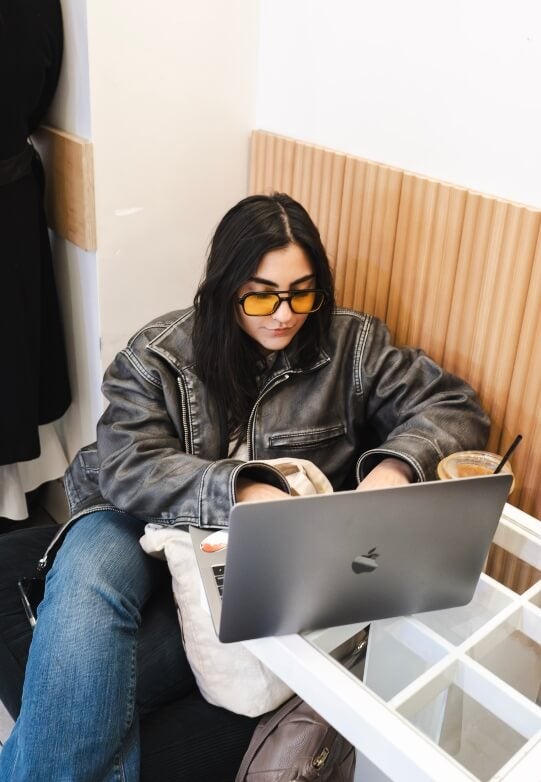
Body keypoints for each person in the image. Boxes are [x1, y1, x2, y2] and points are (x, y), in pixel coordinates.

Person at [0, 193, 490, 780]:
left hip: (240, 550)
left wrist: (397, 465)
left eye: (303, 292)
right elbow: (127, 464)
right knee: (86, 587)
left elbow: (453, 405)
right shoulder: (158, 352)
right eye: (260, 294)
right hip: (133, 514)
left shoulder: (352, 346)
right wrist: (241, 487)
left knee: (85, 690)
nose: (283, 314)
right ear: (225, 286)